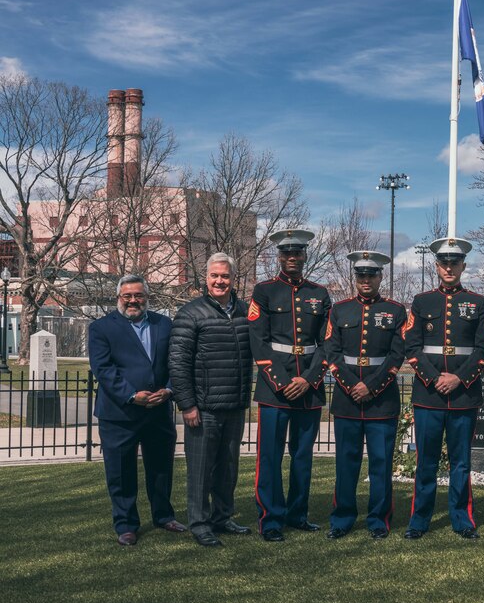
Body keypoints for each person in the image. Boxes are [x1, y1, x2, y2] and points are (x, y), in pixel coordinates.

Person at [402, 236, 484, 540]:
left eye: (455, 263)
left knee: (461, 462)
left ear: (463, 266)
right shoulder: (421, 301)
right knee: (425, 462)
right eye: (444, 263)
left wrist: (458, 378)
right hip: (428, 395)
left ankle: (462, 518)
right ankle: (419, 520)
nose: (449, 268)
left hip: (464, 395)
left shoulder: (479, 303)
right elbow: (412, 346)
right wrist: (434, 377)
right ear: (437, 266)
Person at [88, 274, 186, 546]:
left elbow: (175, 362)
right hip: (119, 414)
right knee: (121, 472)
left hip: (158, 410)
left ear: (147, 297)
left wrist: (168, 390)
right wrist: (132, 395)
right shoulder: (101, 328)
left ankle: (164, 516)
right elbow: (103, 369)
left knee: (161, 469)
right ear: (118, 297)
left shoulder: (164, 324)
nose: (133, 300)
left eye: (138, 295)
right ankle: (126, 525)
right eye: (127, 296)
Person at [248, 228, 331, 542]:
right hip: (274, 389)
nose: (292, 258)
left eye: (298, 253)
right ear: (278, 256)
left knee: (302, 456)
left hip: (308, 389)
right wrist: (284, 382)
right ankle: (271, 519)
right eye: (286, 253)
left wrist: (307, 380)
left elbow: (327, 343)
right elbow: (259, 341)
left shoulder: (320, 294)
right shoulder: (264, 291)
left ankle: (298, 514)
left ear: (305, 255)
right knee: (269, 456)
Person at [168, 253, 254, 548]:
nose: (220, 281)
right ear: (206, 279)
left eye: (225, 276)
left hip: (235, 404)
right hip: (203, 408)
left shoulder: (245, 311)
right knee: (201, 470)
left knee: (228, 468)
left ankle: (223, 516)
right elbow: (178, 363)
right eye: (214, 276)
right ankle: (200, 522)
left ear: (234, 279)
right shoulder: (191, 313)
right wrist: (187, 405)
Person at [324, 250, 406, 540]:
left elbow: (397, 355)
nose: (366, 280)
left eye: (372, 275)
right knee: (346, 462)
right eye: (361, 275)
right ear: (355, 277)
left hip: (381, 399)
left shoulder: (396, 311)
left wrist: (370, 385)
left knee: (381, 463)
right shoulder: (340, 310)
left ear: (381, 276)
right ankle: (342, 518)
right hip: (347, 399)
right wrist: (351, 385)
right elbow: (331, 351)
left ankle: (378, 520)